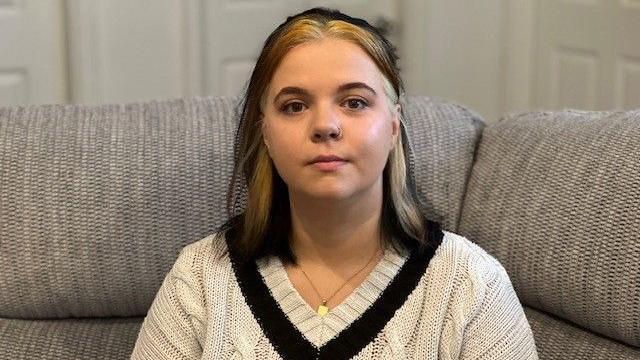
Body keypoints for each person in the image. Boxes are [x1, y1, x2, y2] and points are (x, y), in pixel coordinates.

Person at [131, 7, 538, 359]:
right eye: (294, 106)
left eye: (355, 102)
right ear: (266, 134)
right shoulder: (200, 278)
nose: (325, 125)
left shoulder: (472, 285)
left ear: (394, 125)